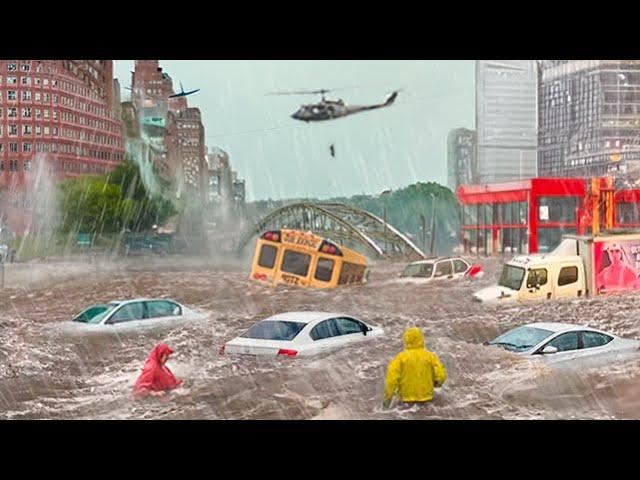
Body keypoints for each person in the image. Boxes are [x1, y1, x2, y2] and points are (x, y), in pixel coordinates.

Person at [383, 327, 447, 409]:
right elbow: (441, 375)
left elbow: (391, 380)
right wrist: (437, 384)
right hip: (427, 398)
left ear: (406, 340)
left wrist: (387, 399)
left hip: (406, 400)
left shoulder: (400, 358)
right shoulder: (430, 356)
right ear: (421, 339)